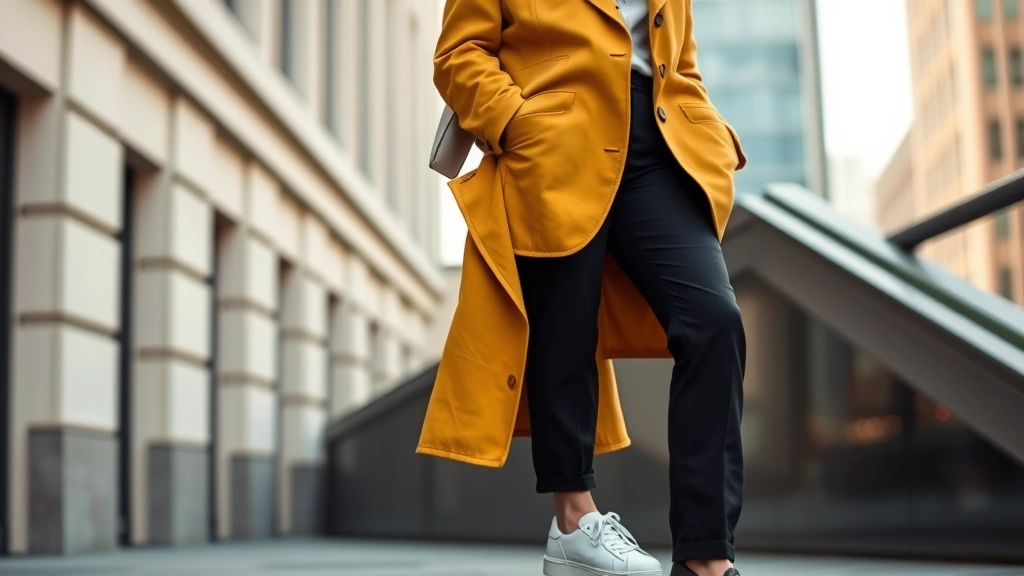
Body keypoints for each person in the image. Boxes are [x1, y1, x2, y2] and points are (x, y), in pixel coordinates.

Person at [417, 1, 746, 575]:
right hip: (554, 140)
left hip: (663, 145)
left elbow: (680, 59)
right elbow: (459, 54)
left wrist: (708, 130)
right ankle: (574, 523)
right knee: (563, 325)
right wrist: (516, 122)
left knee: (714, 320)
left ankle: (706, 558)